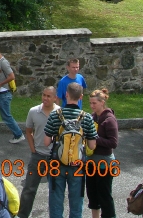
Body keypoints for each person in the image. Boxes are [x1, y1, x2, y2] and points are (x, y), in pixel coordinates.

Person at [44, 82, 98, 218]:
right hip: (78, 165)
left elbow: (46, 142)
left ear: (66, 95)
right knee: (76, 203)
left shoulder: (55, 115)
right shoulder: (86, 117)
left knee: (56, 200)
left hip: (57, 163)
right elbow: (92, 145)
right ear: (81, 97)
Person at [17, 87, 60, 218]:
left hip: (55, 157)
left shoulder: (60, 113)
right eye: (43, 95)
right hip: (38, 155)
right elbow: (28, 131)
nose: (45, 98)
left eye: (48, 96)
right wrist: (32, 148)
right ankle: (22, 215)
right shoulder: (33, 111)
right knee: (29, 189)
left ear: (55, 98)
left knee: (56, 190)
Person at [86, 88, 118, 218]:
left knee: (104, 196)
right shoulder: (92, 117)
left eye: (94, 103)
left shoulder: (109, 120)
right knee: (92, 195)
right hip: (91, 163)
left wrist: (95, 139)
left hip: (105, 164)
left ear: (102, 102)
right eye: (90, 103)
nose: (92, 106)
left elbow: (113, 143)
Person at [0, 43, 24, 143]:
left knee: (6, 116)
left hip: (4, 93)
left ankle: (19, 134)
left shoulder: (4, 63)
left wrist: (1, 84)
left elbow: (12, 76)